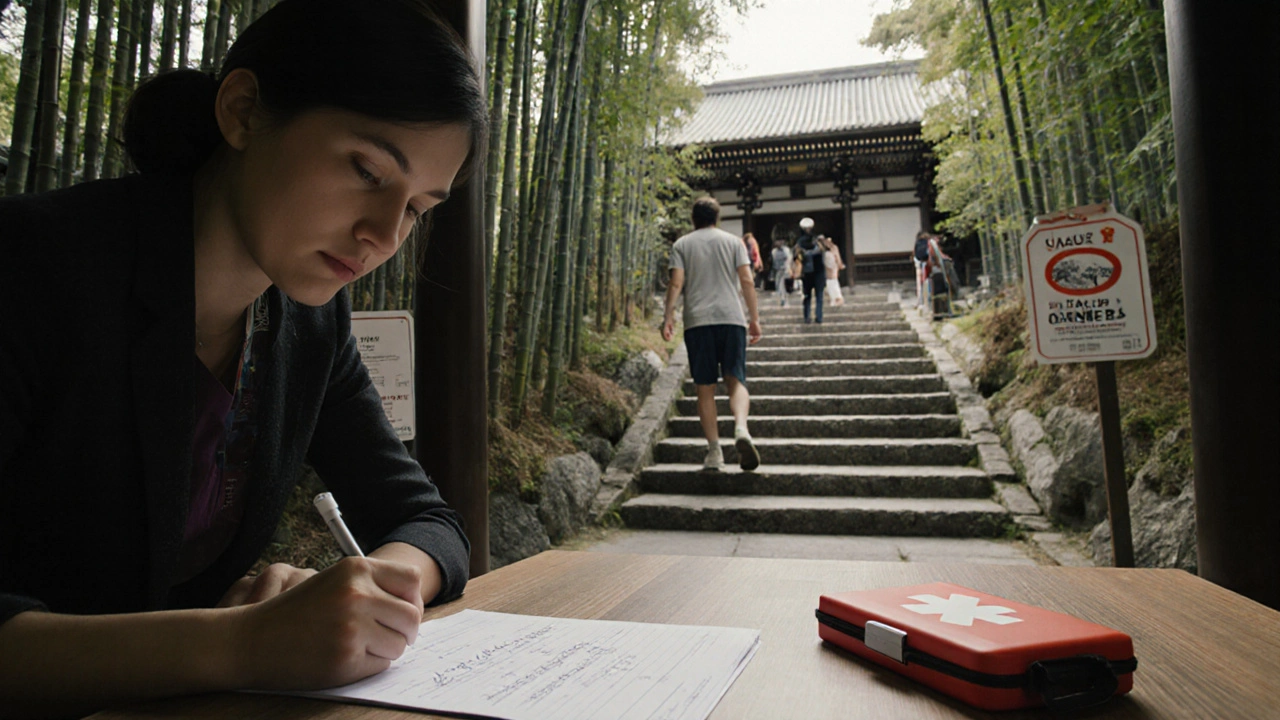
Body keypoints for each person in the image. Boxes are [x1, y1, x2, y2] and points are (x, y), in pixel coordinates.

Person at [0, 0, 484, 715]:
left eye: (417, 208)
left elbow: (429, 524)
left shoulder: (306, 325)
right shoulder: (31, 268)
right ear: (244, 110)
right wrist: (244, 643)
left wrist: (364, 590)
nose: (383, 234)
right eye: (367, 170)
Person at [662, 197, 763, 472]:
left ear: (693, 219)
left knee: (705, 387)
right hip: (731, 318)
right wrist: (754, 319)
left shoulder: (682, 244)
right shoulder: (734, 242)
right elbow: (746, 280)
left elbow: (676, 283)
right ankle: (741, 428)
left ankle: (715, 451)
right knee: (736, 379)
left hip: (698, 322)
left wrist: (668, 316)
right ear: (717, 218)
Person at [796, 219, 826, 324]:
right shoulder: (815, 240)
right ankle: (816, 317)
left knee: (811, 296)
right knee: (815, 296)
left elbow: (798, 255)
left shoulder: (800, 242)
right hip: (815, 271)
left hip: (811, 271)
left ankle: (811, 316)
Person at [822, 236, 845, 306]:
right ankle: (833, 298)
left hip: (833, 266)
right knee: (829, 284)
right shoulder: (823, 250)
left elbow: (838, 257)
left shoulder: (834, 248)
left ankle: (838, 298)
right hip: (827, 267)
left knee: (833, 283)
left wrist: (839, 264)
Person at [770, 238, 792, 306]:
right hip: (778, 270)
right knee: (778, 285)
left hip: (784, 270)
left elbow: (789, 259)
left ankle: (783, 299)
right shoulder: (774, 251)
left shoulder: (786, 250)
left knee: (782, 285)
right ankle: (782, 298)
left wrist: (788, 268)